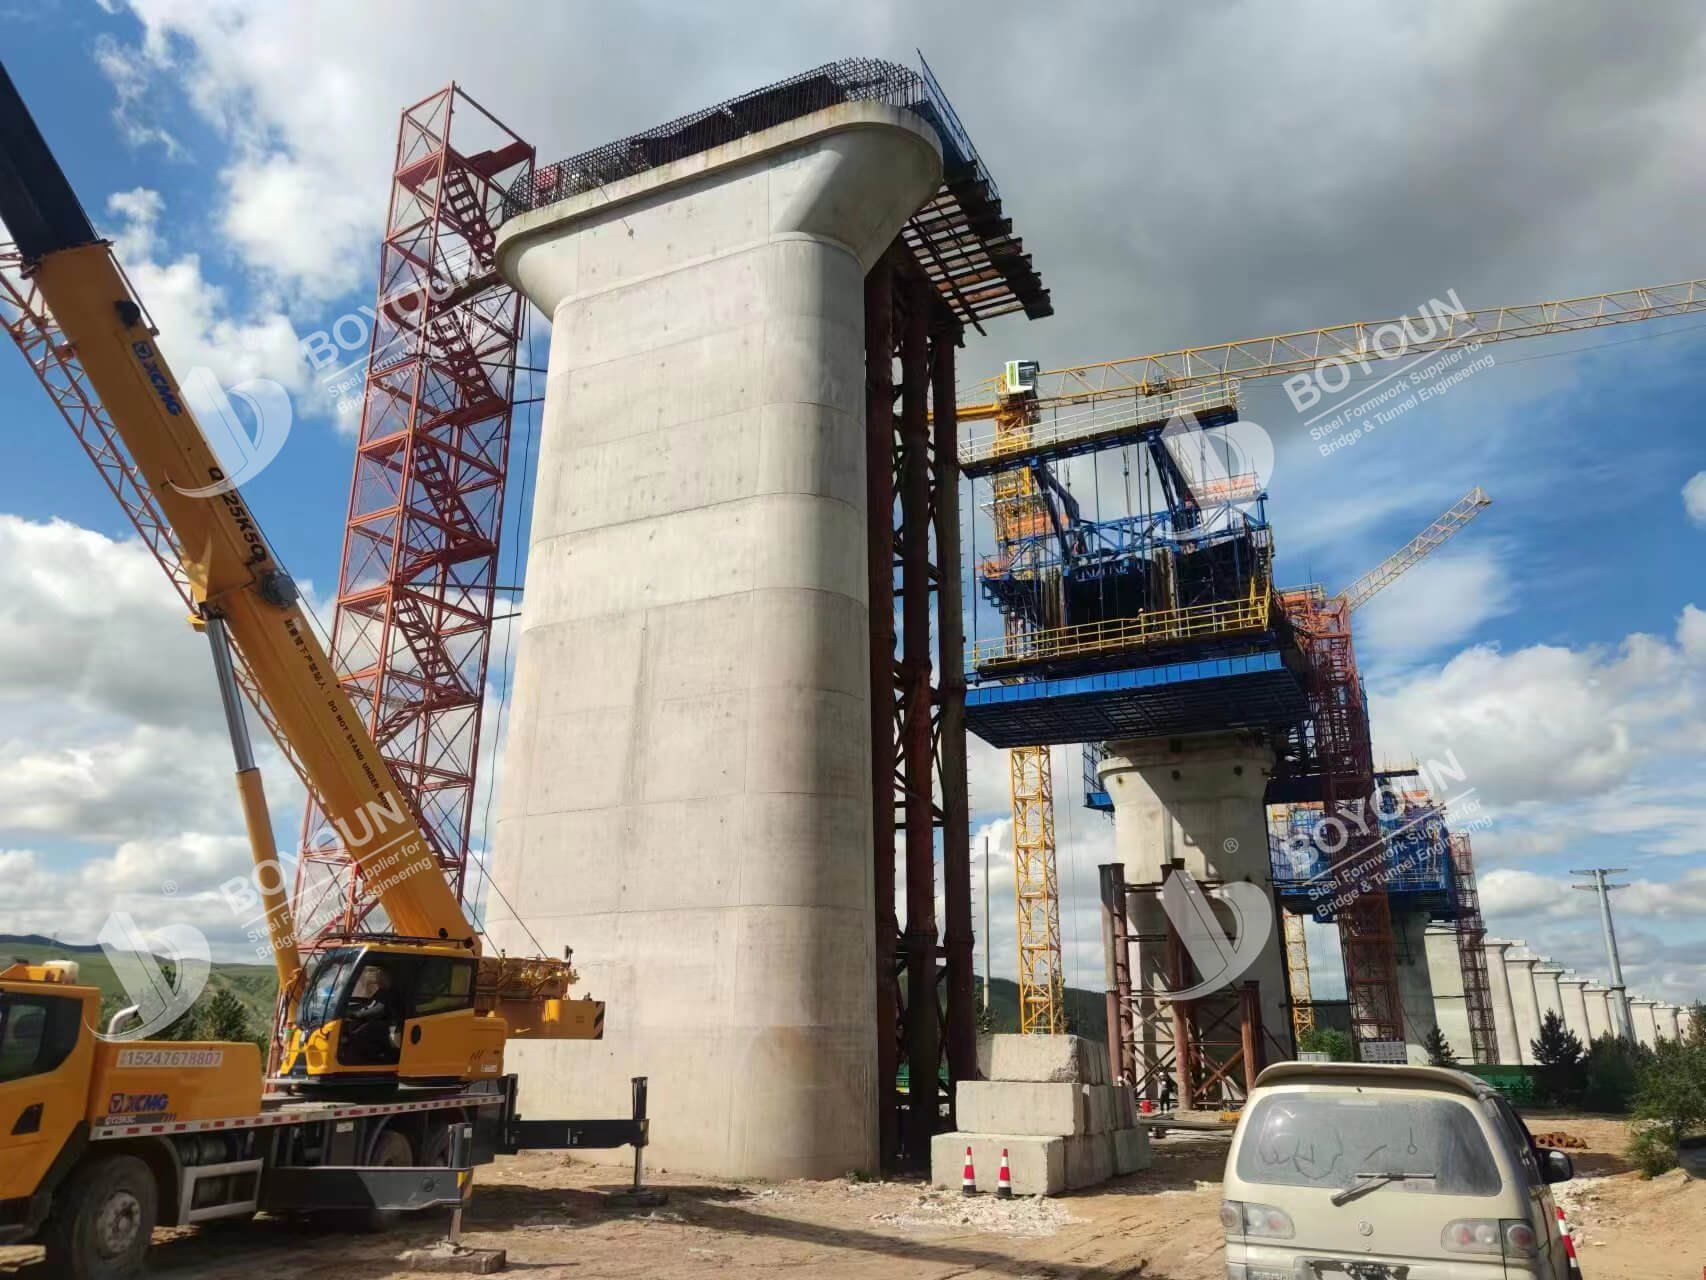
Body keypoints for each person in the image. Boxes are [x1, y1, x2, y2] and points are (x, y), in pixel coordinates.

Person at [343, 962, 402, 1065]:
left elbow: (379, 1009)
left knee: (363, 1031)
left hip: (391, 1024)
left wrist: (357, 1014)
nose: (377, 980)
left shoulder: (392, 992)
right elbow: (370, 1004)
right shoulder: (381, 991)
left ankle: (364, 1060)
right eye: (377, 976)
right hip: (380, 1020)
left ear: (388, 978)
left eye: (380, 976)